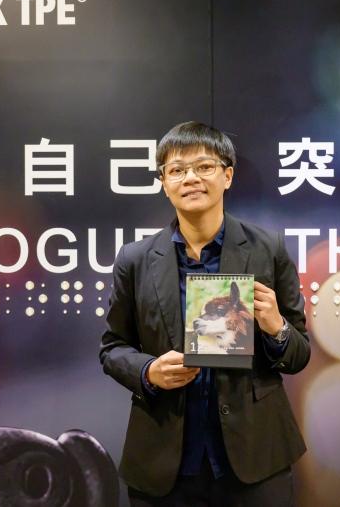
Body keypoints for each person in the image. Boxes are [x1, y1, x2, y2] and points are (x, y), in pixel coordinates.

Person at [100, 121, 310, 506]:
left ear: (227, 176)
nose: (191, 178)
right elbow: (112, 348)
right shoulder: (135, 259)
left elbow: (299, 354)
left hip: (255, 460)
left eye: (204, 167)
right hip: (164, 461)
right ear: (164, 182)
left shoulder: (268, 249)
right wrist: (148, 371)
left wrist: (276, 328)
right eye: (177, 170)